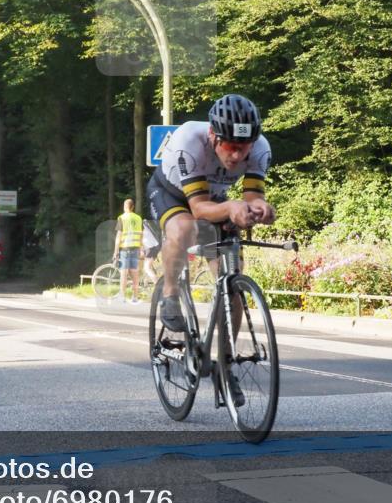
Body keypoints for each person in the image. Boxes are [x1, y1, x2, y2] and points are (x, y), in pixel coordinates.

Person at [147, 93, 276, 333]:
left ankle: (226, 362)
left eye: (244, 147)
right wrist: (230, 207)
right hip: (172, 194)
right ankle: (170, 292)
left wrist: (259, 208)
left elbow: (252, 197)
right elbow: (197, 208)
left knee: (231, 280)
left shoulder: (260, 148)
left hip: (214, 199)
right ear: (212, 136)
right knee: (185, 227)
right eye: (230, 146)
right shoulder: (189, 140)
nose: (237, 155)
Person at [112, 198, 143, 303]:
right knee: (135, 274)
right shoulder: (139, 218)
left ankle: (122, 297)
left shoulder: (122, 218)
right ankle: (135, 297)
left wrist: (116, 251)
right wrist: (141, 249)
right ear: (133, 207)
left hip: (125, 249)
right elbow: (141, 235)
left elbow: (118, 236)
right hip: (136, 248)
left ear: (125, 207)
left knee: (123, 274)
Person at [140, 219, 161, 287]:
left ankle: (158, 285)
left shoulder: (142, 228)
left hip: (151, 247)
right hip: (154, 247)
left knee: (147, 268)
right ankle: (145, 285)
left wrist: (141, 249)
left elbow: (140, 239)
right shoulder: (147, 226)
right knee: (145, 267)